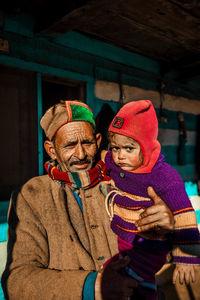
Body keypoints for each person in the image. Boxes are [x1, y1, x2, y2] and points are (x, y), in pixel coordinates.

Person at [2, 100, 175, 300]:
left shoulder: (125, 183)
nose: (81, 154)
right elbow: (17, 281)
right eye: (69, 145)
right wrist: (92, 286)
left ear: (98, 140)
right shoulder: (32, 195)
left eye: (87, 143)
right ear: (51, 150)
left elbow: (160, 256)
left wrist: (164, 232)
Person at [100, 100, 200, 299]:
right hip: (125, 241)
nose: (120, 156)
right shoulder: (117, 163)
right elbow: (105, 159)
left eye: (129, 149)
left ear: (145, 147)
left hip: (150, 246)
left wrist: (186, 256)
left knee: (138, 284)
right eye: (116, 148)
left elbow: (184, 216)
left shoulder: (164, 177)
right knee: (117, 278)